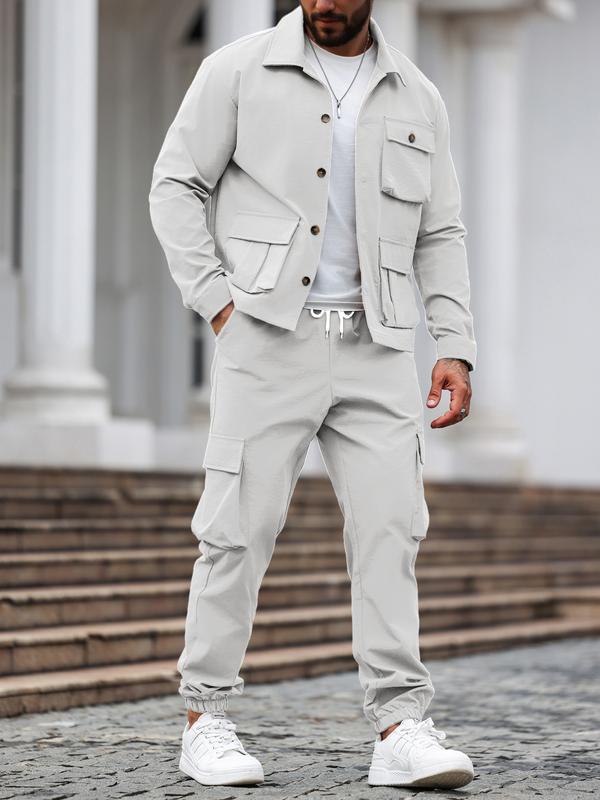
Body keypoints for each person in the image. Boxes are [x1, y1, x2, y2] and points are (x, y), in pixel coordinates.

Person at [148, 0, 476, 789]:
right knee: (236, 530)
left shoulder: (417, 95)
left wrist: (454, 344)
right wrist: (217, 303)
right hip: (266, 337)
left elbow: (439, 231)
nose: (324, 3)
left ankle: (399, 727)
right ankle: (205, 719)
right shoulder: (236, 70)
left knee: (392, 531)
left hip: (379, 346)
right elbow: (175, 185)